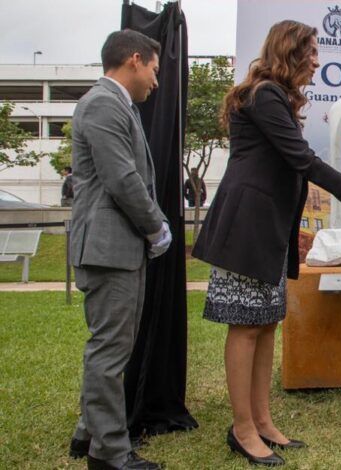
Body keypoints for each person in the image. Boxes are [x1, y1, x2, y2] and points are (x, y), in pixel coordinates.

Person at [191, 20, 341, 467]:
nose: (318, 61)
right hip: (247, 227)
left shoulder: (273, 96)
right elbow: (301, 160)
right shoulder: (265, 95)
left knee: (265, 324)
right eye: (312, 52)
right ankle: (242, 429)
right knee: (245, 327)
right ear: (290, 52)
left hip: (267, 227)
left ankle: (262, 421)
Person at [67, 29, 171, 470]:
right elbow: (122, 179)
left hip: (114, 247)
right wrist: (156, 227)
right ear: (134, 60)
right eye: (153, 69)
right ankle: (109, 453)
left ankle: (88, 432)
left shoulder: (111, 104)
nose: (156, 80)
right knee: (110, 350)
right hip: (109, 247)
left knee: (112, 346)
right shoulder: (105, 103)